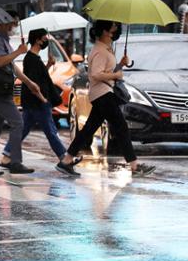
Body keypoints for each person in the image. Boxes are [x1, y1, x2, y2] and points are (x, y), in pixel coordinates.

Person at [56, 20, 156, 177]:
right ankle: (135, 166)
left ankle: (66, 160)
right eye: (113, 27)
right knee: (121, 127)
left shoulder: (104, 50)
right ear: (104, 31)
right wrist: (116, 74)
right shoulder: (100, 51)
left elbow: (105, 72)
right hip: (102, 94)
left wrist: (120, 65)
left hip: (102, 93)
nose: (115, 30)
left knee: (89, 129)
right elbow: (96, 74)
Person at [0, 28, 81, 168]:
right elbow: (34, 84)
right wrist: (43, 99)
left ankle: (7, 156)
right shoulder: (31, 59)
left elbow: (39, 77)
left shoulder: (34, 59)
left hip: (33, 102)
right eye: (44, 38)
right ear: (37, 40)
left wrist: (48, 65)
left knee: (23, 129)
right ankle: (64, 158)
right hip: (38, 101)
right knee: (51, 131)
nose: (46, 41)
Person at [0, 11, 45, 176]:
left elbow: (12, 67)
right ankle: (15, 162)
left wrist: (28, 82)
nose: (14, 27)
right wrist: (19, 52)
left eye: (15, 23)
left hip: (3, 89)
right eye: (12, 23)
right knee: (18, 122)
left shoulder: (4, 41)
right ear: (2, 23)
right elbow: (0, 61)